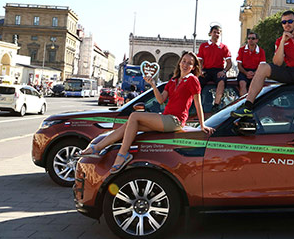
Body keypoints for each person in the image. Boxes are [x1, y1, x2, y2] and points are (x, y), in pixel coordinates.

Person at [80, 52, 214, 173]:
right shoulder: (172, 81)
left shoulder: (193, 80)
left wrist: (202, 125)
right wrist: (153, 85)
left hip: (175, 121)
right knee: (129, 125)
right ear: (179, 62)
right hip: (165, 118)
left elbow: (198, 104)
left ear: (194, 67)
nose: (185, 64)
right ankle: (97, 148)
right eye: (184, 61)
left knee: (134, 116)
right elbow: (161, 100)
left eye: (190, 63)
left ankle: (122, 154)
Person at [231, 10, 294, 142]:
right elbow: (277, 63)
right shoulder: (280, 40)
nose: (287, 24)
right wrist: (282, 43)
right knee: (263, 67)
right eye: (284, 22)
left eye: (290, 21)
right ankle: (248, 106)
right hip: (289, 71)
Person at [197, 25, 232, 112]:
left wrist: (224, 71)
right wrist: (200, 70)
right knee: (196, 82)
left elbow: (229, 63)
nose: (216, 34)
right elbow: (199, 61)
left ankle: (216, 105)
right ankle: (194, 104)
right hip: (206, 70)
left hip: (218, 70)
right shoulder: (203, 46)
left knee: (221, 81)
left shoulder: (224, 47)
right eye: (214, 32)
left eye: (218, 32)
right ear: (210, 33)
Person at [236, 31, 266, 97]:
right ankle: (243, 103)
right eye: (249, 38)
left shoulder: (261, 51)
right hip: (244, 71)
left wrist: (254, 73)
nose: (250, 40)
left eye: (253, 38)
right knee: (242, 84)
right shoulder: (242, 50)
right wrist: (246, 73)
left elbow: (262, 66)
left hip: (256, 71)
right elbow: (239, 65)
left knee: (256, 87)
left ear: (256, 40)